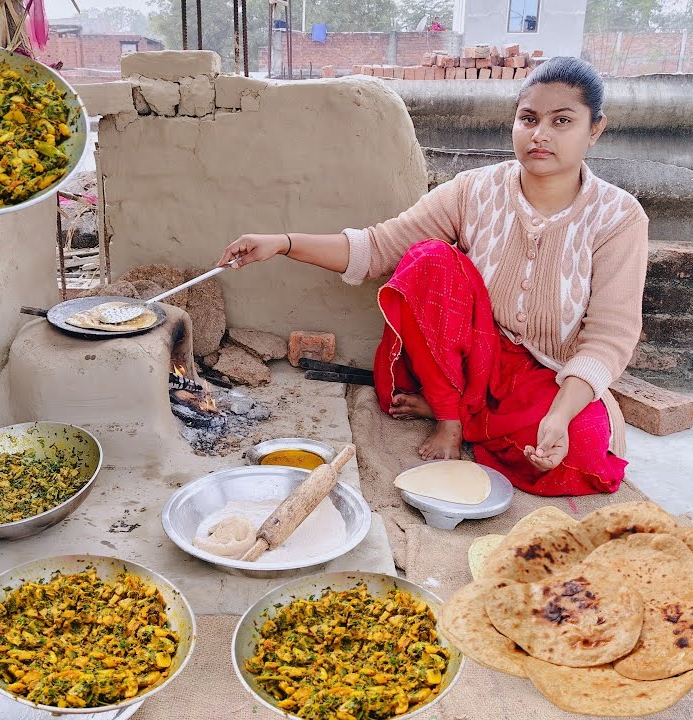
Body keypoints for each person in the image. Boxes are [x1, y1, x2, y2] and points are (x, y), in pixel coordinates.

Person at [217, 57, 647, 497]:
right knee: (430, 259)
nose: (540, 134)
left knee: (584, 450)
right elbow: (380, 247)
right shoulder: (474, 190)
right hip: (469, 358)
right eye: (528, 118)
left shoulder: (619, 217)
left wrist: (558, 414)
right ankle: (452, 416)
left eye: (562, 121)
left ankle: (471, 413)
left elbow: (609, 336)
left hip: (546, 373)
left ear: (594, 129)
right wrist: (283, 242)